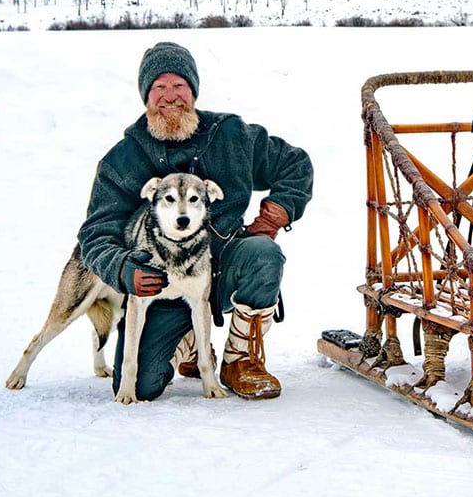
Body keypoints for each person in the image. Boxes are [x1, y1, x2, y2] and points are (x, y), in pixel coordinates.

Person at [77, 41, 313, 400]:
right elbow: (95, 234)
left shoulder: (230, 135)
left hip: (224, 262)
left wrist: (272, 216)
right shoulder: (123, 160)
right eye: (159, 87)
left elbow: (295, 165)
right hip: (160, 283)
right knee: (142, 386)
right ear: (145, 96)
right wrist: (126, 271)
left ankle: (239, 357)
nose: (170, 97)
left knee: (263, 254)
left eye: (179, 86)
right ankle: (187, 341)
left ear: (193, 91)